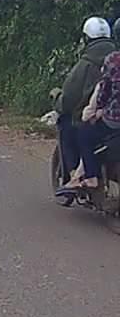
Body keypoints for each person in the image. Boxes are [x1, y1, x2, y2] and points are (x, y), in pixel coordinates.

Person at [54, 17, 115, 191]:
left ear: (86, 38)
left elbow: (69, 98)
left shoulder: (86, 65)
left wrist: (58, 100)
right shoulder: (115, 59)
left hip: (102, 117)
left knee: (67, 124)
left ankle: (78, 174)